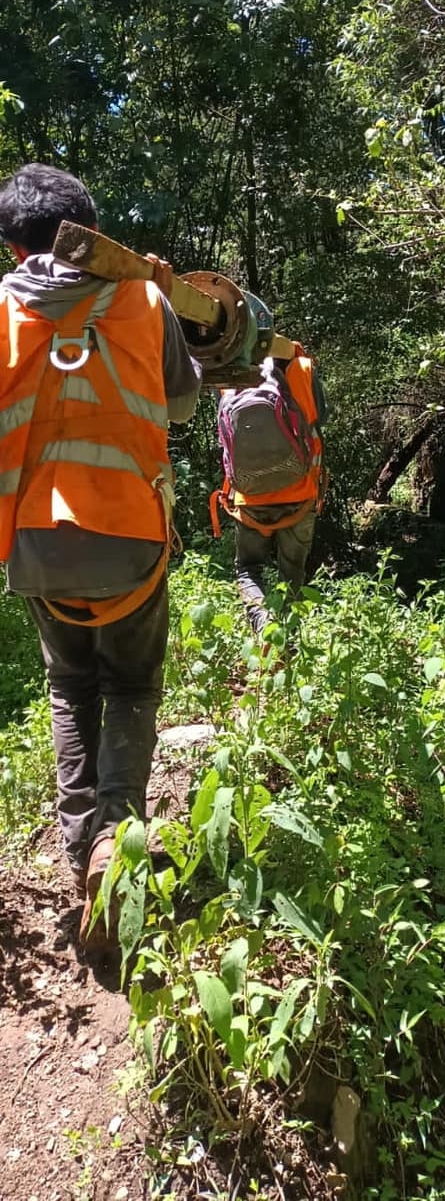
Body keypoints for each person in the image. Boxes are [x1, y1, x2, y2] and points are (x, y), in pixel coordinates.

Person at [0, 162, 201, 951]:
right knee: (132, 684)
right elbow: (181, 404)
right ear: (89, 230)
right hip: (131, 539)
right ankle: (119, 839)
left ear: (15, 248)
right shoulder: (143, 297)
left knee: (69, 685)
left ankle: (81, 845)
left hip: (36, 544)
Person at [210, 343, 327, 637]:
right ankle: (288, 642)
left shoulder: (228, 381)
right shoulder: (300, 371)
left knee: (248, 569)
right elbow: (320, 420)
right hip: (299, 495)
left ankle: (263, 626)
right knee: (292, 574)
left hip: (249, 499)